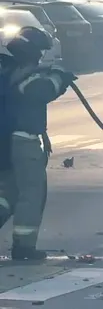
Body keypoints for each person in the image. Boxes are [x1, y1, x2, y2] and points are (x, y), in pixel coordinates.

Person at [0, 27, 75, 260]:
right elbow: (40, 92)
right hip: (23, 141)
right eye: (40, 52)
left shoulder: (8, 69)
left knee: (10, 193)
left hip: (8, 141)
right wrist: (58, 76)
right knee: (32, 193)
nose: (41, 57)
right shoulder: (23, 74)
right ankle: (24, 247)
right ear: (31, 50)